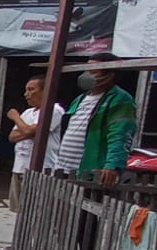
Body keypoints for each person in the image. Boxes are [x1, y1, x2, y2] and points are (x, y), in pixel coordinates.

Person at [58, 56, 137, 185]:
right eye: (86, 68)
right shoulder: (80, 99)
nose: (87, 74)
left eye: (93, 70)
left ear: (110, 75)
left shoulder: (120, 99)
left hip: (89, 172)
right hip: (64, 168)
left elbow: (120, 134)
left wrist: (112, 165)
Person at [6, 75, 63, 211]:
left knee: (36, 210)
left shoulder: (54, 110)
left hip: (41, 168)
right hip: (19, 167)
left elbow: (29, 131)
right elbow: (12, 136)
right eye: (26, 90)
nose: (27, 94)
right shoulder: (28, 112)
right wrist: (27, 130)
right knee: (19, 210)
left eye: (31, 90)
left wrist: (15, 117)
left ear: (45, 91)